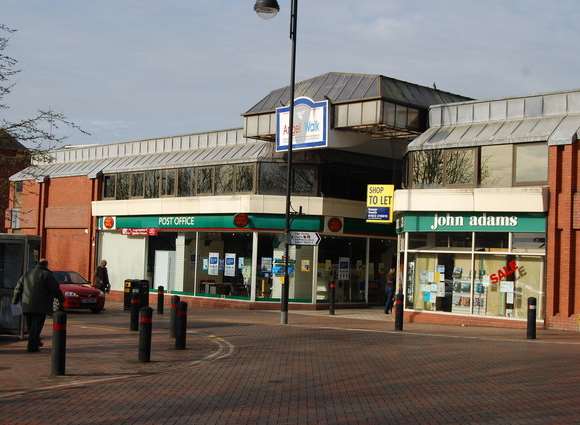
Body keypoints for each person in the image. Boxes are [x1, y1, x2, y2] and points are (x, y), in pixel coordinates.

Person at [12, 259, 63, 352]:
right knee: (36, 327)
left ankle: (35, 341)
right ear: (46, 265)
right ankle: (32, 346)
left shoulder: (27, 274)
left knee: (31, 326)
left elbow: (18, 288)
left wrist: (15, 300)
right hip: (41, 306)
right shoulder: (47, 275)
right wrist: (61, 300)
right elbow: (55, 290)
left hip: (26, 305)